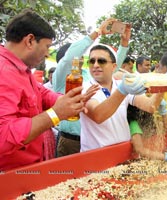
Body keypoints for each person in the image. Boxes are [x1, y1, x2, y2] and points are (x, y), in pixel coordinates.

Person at [0, 9, 97, 170]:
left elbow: (40, 93)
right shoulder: (4, 72)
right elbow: (3, 136)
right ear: (30, 40)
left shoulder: (21, 69)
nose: (46, 54)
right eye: (47, 47)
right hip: (12, 176)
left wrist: (64, 102)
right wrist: (55, 114)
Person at [52, 18, 130, 157]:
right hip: (69, 141)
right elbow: (70, 56)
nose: (81, 58)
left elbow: (111, 66)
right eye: (79, 54)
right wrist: (98, 32)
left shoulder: (88, 75)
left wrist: (124, 44)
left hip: (90, 141)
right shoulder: (62, 76)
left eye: (82, 56)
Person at [80, 44, 167, 152]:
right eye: (91, 61)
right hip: (96, 155)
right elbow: (98, 115)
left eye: (101, 61)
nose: (95, 65)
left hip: (122, 152)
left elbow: (150, 106)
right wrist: (122, 91)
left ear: (113, 66)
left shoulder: (121, 85)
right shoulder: (84, 88)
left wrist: (165, 84)